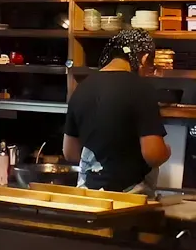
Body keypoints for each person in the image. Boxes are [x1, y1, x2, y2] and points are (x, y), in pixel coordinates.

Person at [63, 30, 170, 192]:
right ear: (144, 58)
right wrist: (166, 151)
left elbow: (70, 153)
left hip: (87, 195)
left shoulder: (81, 88)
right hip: (127, 198)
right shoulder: (141, 89)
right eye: (150, 66)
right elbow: (153, 155)